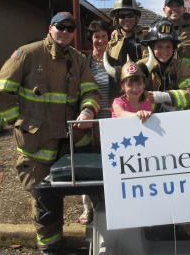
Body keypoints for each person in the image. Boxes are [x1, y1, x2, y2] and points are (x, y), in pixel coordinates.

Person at [0, 11, 101, 255]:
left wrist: (87, 111)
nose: (64, 32)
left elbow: (91, 91)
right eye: (59, 27)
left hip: (72, 141)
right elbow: (1, 90)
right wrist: (20, 123)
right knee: (43, 196)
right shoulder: (28, 54)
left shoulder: (79, 60)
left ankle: (103, 238)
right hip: (38, 142)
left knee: (95, 188)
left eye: (70, 28)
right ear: (50, 28)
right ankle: (50, 247)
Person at [79, 20, 117, 225]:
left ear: (108, 38)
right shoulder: (83, 63)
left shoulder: (116, 61)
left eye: (103, 36)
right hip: (89, 121)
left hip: (110, 121)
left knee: (110, 164)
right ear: (91, 39)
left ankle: (110, 204)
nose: (100, 40)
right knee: (88, 164)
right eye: (96, 36)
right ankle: (88, 208)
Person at [139, 18, 190, 112]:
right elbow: (131, 94)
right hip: (146, 120)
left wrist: (166, 97)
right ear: (151, 47)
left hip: (175, 119)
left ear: (174, 48)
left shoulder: (180, 68)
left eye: (168, 47)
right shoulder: (140, 67)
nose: (164, 51)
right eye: (159, 47)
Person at [103, 48, 155, 123]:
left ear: (143, 84)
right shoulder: (118, 102)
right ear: (122, 86)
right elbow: (121, 114)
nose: (135, 88)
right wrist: (137, 115)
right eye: (130, 85)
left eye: (139, 84)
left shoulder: (147, 103)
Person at [106, 0, 147, 65]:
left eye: (130, 15)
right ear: (116, 19)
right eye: (122, 16)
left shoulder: (147, 39)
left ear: (136, 18)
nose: (127, 19)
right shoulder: (111, 44)